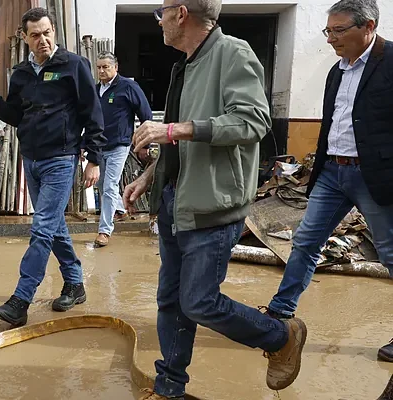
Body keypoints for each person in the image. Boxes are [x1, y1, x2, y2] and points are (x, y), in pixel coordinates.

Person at [122, 0, 307, 398]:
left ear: (182, 14)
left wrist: (173, 130)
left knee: (200, 302)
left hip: (214, 205)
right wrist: (152, 178)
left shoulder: (233, 53)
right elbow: (180, 140)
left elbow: (253, 120)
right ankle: (168, 386)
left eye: (162, 12)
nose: (160, 21)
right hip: (177, 200)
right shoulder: (185, 65)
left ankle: (280, 336)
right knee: (171, 300)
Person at [262, 0, 393, 364]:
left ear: (368, 27)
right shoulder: (337, 70)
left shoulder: (391, 61)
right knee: (305, 242)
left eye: (339, 31)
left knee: (390, 253)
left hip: (374, 176)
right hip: (333, 174)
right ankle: (280, 311)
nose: (331, 39)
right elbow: (333, 121)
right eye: (328, 31)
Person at [0, 7, 107, 327]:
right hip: (31, 159)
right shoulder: (21, 74)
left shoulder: (74, 66)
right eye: (35, 35)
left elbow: (93, 113)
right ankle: (75, 284)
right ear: (25, 38)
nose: (43, 40)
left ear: (55, 32)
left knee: (41, 227)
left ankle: (21, 299)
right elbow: (15, 115)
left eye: (47, 33)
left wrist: (94, 159)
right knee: (54, 227)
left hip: (61, 159)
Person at [93, 51, 153, 248]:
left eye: (106, 67)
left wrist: (144, 144)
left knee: (109, 185)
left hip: (119, 145)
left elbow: (146, 115)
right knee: (102, 185)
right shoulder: (95, 90)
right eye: (99, 67)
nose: (102, 71)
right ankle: (118, 209)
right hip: (99, 146)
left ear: (116, 67)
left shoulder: (128, 87)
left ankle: (104, 230)